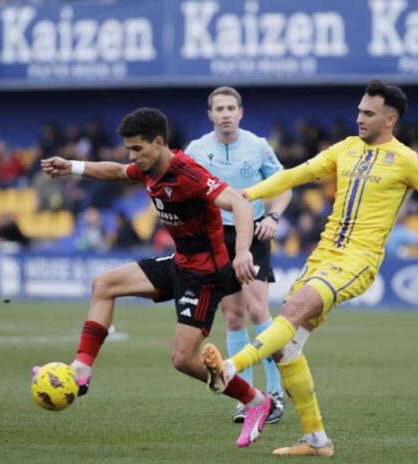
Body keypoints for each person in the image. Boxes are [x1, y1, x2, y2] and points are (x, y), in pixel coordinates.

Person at [200, 81, 418, 457]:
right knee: (287, 350)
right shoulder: (345, 148)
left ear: (390, 118)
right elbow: (293, 175)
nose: (359, 117)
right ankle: (316, 440)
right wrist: (248, 194)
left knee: (293, 309)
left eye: (368, 113)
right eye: (359, 110)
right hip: (323, 255)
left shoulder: (409, 161)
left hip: (358, 262)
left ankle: (232, 369)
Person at [38, 108, 274, 448]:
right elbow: (118, 172)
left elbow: (239, 203)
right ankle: (80, 369)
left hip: (206, 274)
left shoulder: (187, 173)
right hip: (181, 263)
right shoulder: (149, 168)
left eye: (137, 149)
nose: (132, 157)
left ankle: (256, 401)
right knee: (104, 285)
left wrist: (242, 253)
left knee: (183, 360)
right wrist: (72, 167)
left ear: (159, 142)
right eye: (130, 150)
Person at [185, 86, 292, 424]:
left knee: (259, 310)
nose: (226, 113)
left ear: (241, 113)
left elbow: (284, 184)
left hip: (254, 230)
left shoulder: (258, 146)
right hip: (216, 236)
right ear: (210, 115)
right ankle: (246, 397)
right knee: (233, 317)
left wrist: (273, 217)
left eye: (232, 107)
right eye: (220, 108)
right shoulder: (197, 150)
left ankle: (275, 392)